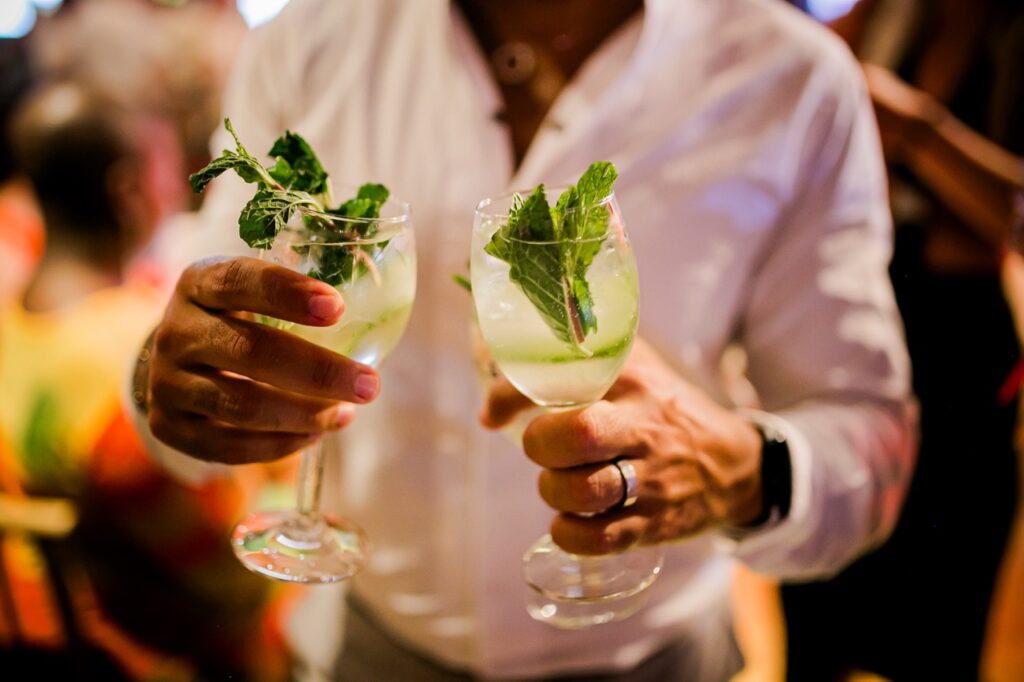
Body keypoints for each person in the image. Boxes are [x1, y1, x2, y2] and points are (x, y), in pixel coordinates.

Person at [136, 0, 916, 679]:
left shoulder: (795, 80)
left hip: (659, 662)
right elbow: (203, 326)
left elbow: (869, 433)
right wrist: (172, 383)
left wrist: (745, 469)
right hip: (368, 649)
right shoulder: (310, 39)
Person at [0, 82, 291, 680]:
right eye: (167, 171)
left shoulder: (11, 321)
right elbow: (223, 575)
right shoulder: (139, 352)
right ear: (126, 190)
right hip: (157, 646)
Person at [777, 1, 1024, 680]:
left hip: (959, 345)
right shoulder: (884, 10)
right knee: (816, 605)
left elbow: (1014, 217)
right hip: (855, 309)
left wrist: (917, 130)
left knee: (941, 617)